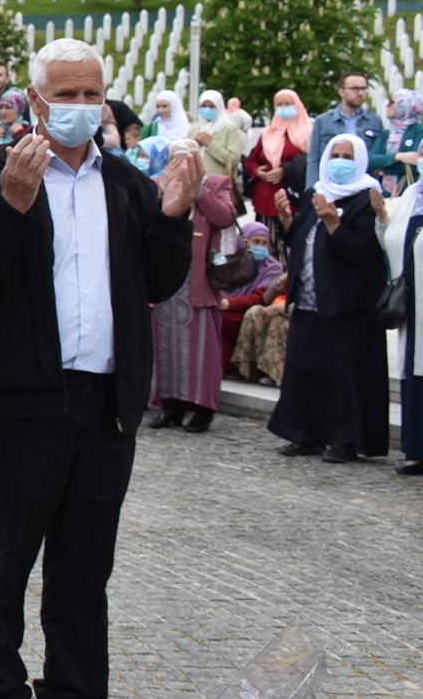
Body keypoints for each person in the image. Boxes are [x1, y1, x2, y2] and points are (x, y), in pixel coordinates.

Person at [0, 38, 197, 699]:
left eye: (95, 94)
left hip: (105, 401)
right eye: (68, 95)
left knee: (86, 563)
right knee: (6, 559)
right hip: (20, 403)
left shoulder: (126, 185)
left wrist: (174, 218)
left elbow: (156, 281)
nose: (84, 108)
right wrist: (15, 209)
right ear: (37, 100)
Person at [267, 133, 390, 464]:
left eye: (347, 156)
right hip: (309, 298)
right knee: (304, 368)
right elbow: (305, 241)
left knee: (343, 375)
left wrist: (334, 222)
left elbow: (365, 254)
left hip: (347, 303)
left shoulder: (366, 199)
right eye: (335, 154)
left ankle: (343, 440)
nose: (339, 161)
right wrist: (289, 221)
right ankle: (305, 434)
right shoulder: (316, 193)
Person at [147, 141, 241, 434]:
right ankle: (170, 406)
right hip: (166, 276)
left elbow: (226, 217)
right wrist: (165, 187)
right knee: (166, 347)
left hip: (199, 278)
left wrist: (198, 190)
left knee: (202, 350)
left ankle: (203, 409)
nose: (182, 165)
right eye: (177, 159)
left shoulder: (216, 183)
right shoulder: (155, 184)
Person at [377, 185, 423, 477]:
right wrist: (382, 216)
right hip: (414, 301)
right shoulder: (411, 197)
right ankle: (416, 452)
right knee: (414, 373)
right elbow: (390, 240)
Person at [219, 219, 286, 373]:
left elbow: (260, 297)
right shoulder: (230, 261)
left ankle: (233, 367)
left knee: (226, 319)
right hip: (225, 305)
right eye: (255, 241)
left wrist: (230, 303)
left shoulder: (272, 267)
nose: (260, 247)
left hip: (252, 311)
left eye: (264, 243)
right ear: (244, 241)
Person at [247, 90, 312, 247]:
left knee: (289, 242)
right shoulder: (269, 133)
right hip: (266, 196)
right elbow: (251, 160)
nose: (283, 108)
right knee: (266, 240)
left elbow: (310, 162)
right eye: (279, 105)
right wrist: (257, 171)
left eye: (287, 104)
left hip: (291, 196)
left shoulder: (308, 132)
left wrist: (285, 170)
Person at [307, 70, 390, 191]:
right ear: (342, 91)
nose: (360, 93)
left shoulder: (374, 121)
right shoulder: (323, 121)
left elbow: (378, 155)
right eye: (355, 89)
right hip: (331, 186)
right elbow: (314, 158)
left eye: (363, 89)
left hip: (363, 186)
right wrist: (311, 189)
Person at [193, 89, 244, 181]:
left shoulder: (229, 128)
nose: (207, 109)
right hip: (195, 184)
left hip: (218, 185)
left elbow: (234, 160)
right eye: (203, 106)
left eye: (212, 106)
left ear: (219, 107)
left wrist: (211, 145)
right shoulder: (195, 128)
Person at [384, 88, 423, 194]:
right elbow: (372, 160)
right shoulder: (386, 133)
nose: (387, 105)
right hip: (386, 192)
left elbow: (415, 165)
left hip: (410, 191)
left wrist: (384, 168)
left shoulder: (419, 131)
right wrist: (398, 157)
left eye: (392, 102)